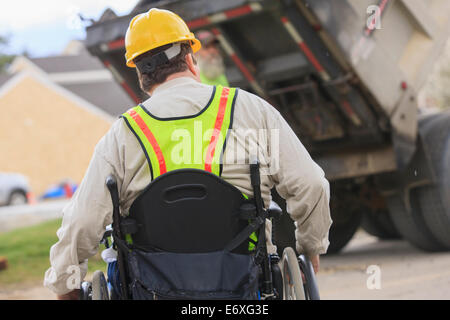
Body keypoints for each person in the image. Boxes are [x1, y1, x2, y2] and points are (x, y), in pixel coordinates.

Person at [44, 8, 332, 300]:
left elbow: (82, 220)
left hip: (150, 289)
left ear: (140, 74)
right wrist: (310, 245)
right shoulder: (251, 111)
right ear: (190, 57)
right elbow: (311, 184)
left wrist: (65, 283)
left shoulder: (123, 134)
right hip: (243, 285)